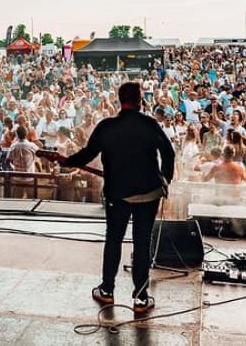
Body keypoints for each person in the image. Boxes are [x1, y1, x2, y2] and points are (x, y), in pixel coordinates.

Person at [53, 82, 174, 315]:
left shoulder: (107, 127)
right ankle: (140, 298)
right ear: (140, 100)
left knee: (113, 240)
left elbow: (87, 154)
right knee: (142, 243)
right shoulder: (150, 124)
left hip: (116, 195)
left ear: (120, 100)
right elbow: (168, 153)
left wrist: (66, 161)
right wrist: (165, 179)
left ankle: (107, 290)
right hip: (149, 194)